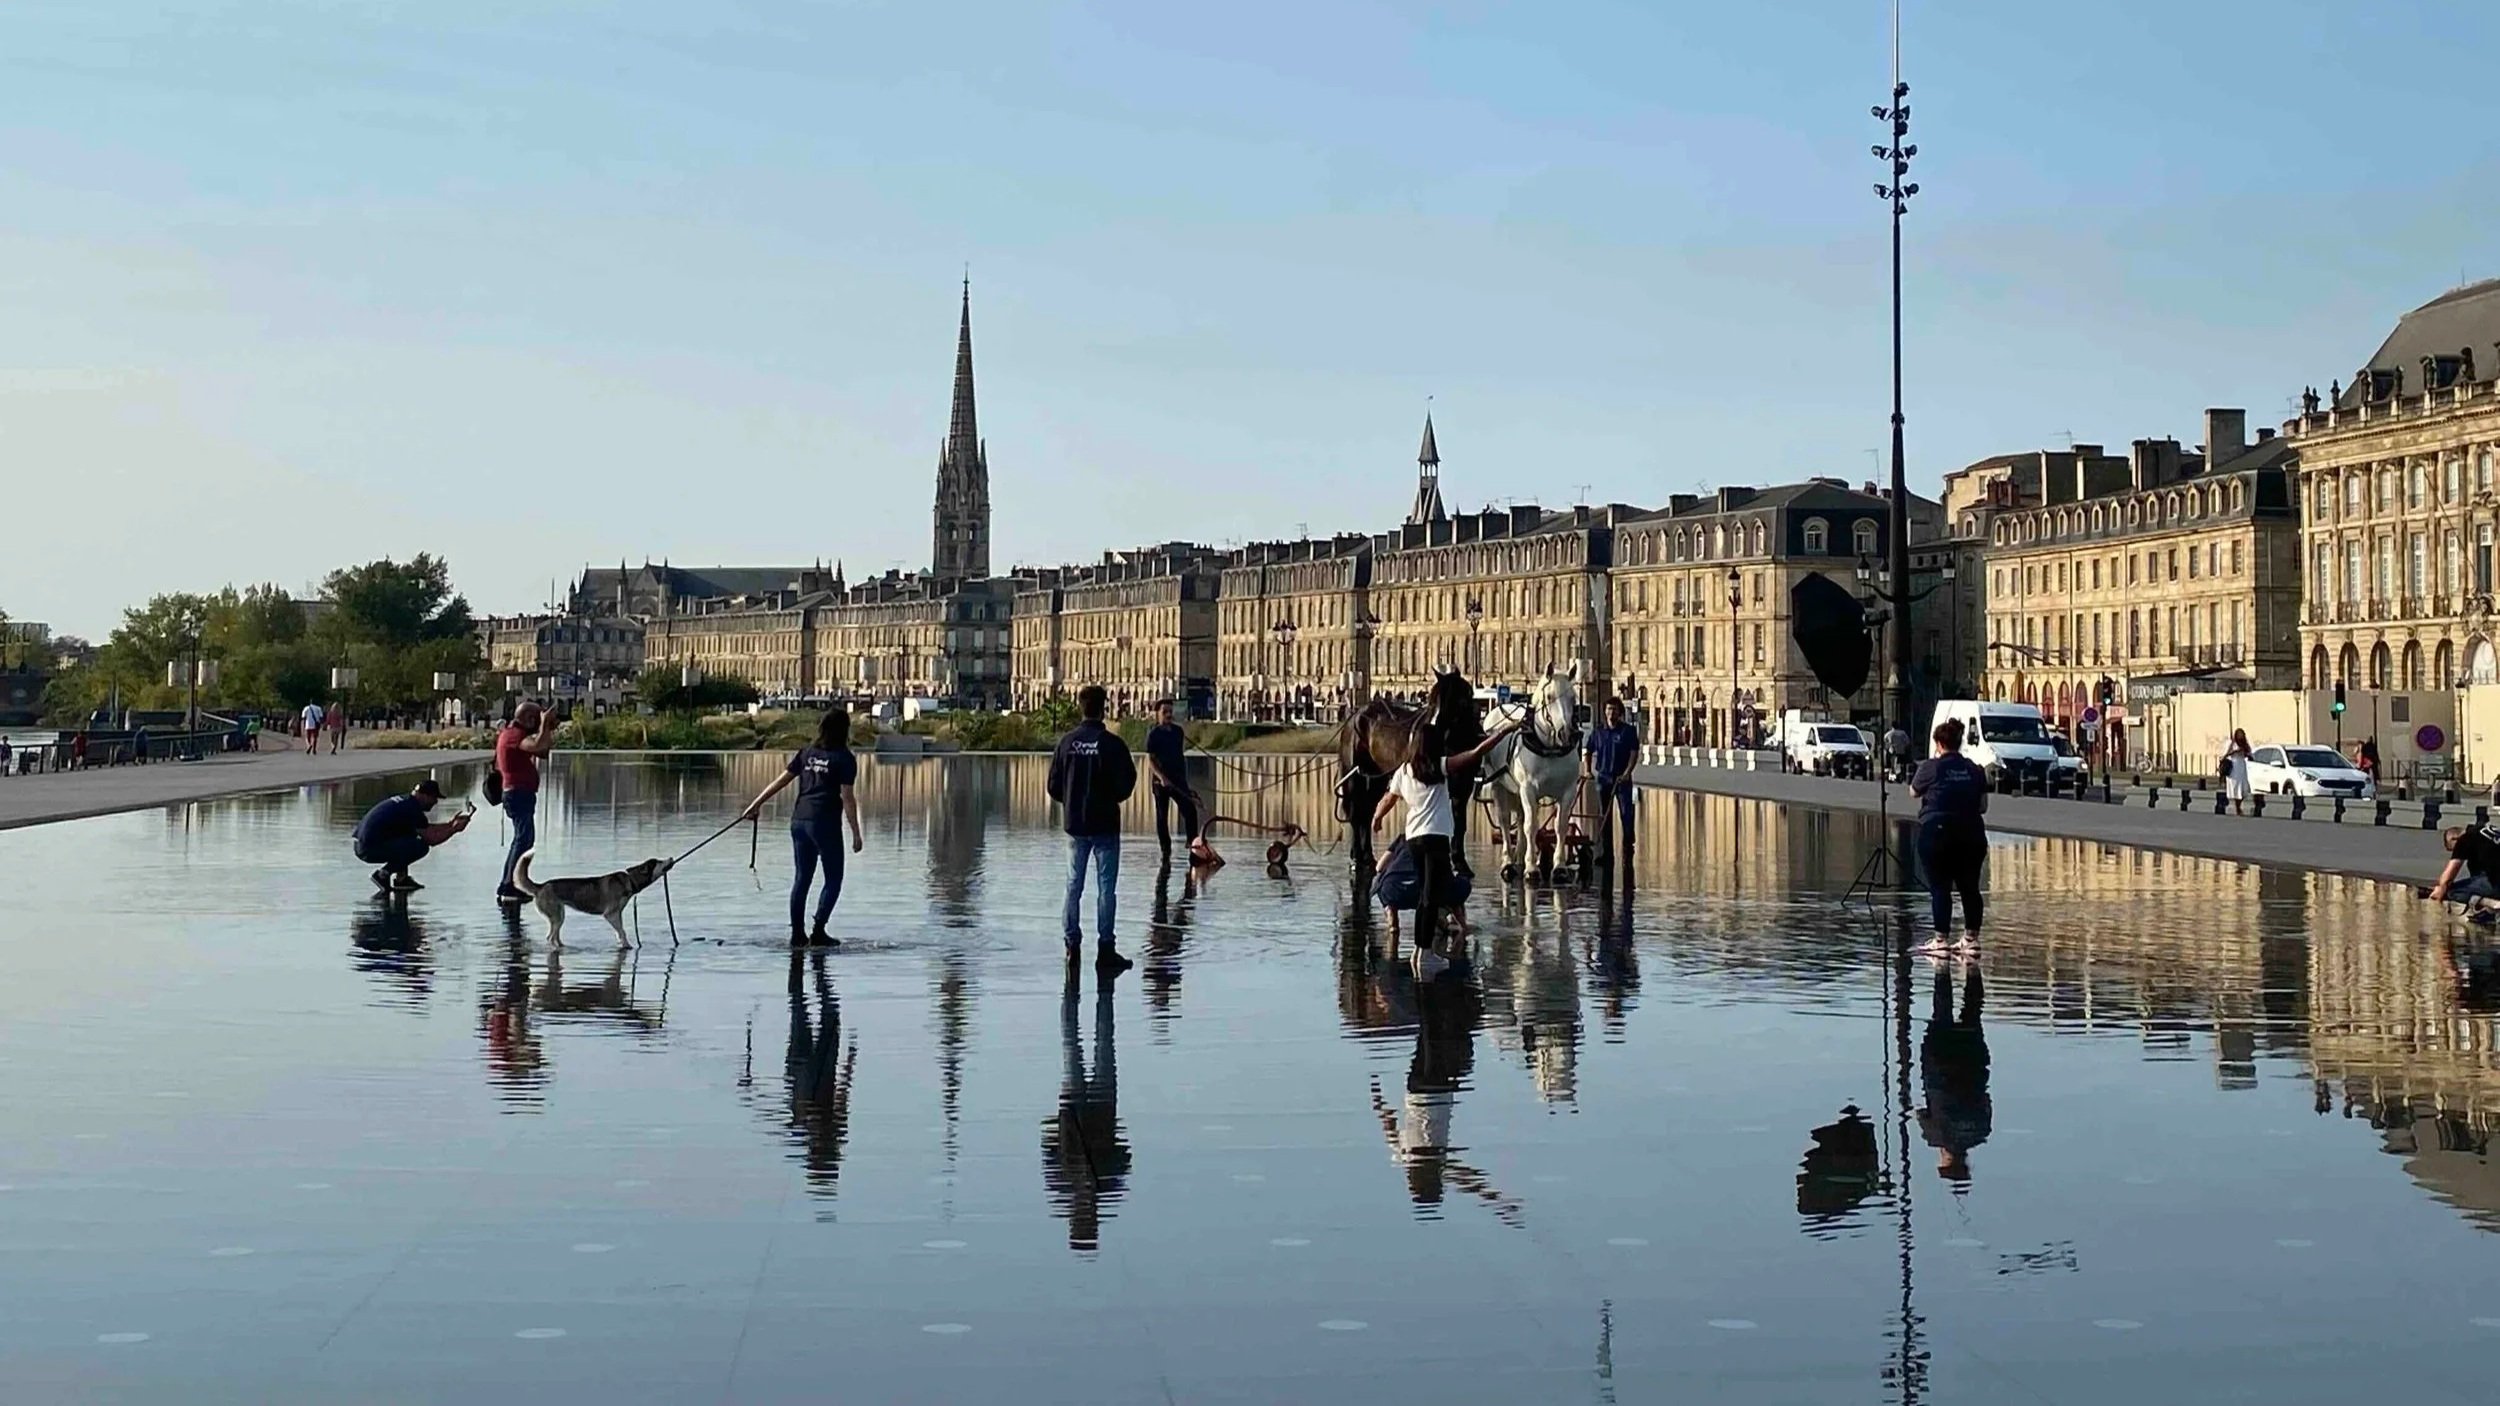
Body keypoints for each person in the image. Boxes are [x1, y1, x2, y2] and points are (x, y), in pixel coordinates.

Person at [1372, 714, 1522, 980]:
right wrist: (1504, 732)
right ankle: (1425, 952)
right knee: (1432, 895)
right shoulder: (1438, 766)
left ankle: (1420, 952)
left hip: (1414, 838)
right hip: (1436, 838)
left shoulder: (1404, 771)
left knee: (1425, 896)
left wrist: (1377, 818)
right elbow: (1476, 753)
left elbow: (1388, 798)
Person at [739, 709, 864, 947]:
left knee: (802, 879)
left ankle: (797, 934)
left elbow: (781, 780)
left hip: (799, 822)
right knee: (833, 879)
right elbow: (847, 798)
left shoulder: (807, 753)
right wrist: (856, 834)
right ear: (844, 731)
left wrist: (755, 805)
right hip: (824, 824)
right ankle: (818, 931)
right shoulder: (844, 758)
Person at [1047, 685, 1138, 975]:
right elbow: (1128, 782)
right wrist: (1110, 799)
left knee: (1073, 886)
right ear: (1103, 708)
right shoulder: (1113, 744)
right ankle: (1106, 950)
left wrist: (1072, 802)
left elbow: (1053, 786)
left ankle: (1072, 945)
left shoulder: (1067, 743)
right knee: (1106, 890)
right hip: (1105, 826)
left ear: (1081, 708)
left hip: (1075, 826)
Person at [1910, 717, 1989, 956]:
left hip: (1937, 831)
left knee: (1940, 887)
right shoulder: (1976, 770)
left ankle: (1941, 940)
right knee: (1970, 888)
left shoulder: (1930, 767)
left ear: (1938, 743)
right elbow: (1983, 806)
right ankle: (1971, 940)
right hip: (1972, 832)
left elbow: (1913, 792)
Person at [1915, 964, 1991, 1186]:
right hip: (1939, 1063)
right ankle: (1942, 971)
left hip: (1973, 1063)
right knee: (1941, 1012)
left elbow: (1986, 1100)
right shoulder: (1934, 1136)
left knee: (1973, 1011)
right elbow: (1920, 1112)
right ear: (1946, 1160)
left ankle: (1970, 971)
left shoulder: (1982, 1132)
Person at [351, 777, 472, 890]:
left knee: (408, 836)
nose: (435, 802)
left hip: (362, 844)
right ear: (424, 795)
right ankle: (383, 874)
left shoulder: (407, 802)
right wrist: (454, 830)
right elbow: (431, 839)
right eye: (434, 798)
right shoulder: (413, 810)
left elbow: (425, 828)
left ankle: (401, 879)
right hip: (369, 847)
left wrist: (450, 824)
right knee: (420, 847)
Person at [493, 703, 560, 906]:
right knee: (523, 840)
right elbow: (539, 746)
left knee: (523, 839)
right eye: (536, 718)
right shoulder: (514, 735)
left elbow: (543, 752)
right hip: (517, 793)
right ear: (529, 718)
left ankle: (510, 883)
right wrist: (544, 725)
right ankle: (509, 885)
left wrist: (546, 728)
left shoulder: (516, 733)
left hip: (520, 793)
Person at [1143, 699, 1204, 865]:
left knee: (1190, 811)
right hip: (1160, 782)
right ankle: (1166, 849)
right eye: (1165, 712)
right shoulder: (1153, 734)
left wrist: (1185, 782)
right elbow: (1151, 760)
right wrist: (1162, 778)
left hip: (1178, 779)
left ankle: (1193, 843)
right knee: (1162, 817)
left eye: (1171, 711)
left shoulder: (1178, 732)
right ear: (1157, 714)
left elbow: (1179, 756)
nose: (1169, 714)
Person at [1581, 697, 1641, 865]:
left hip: (1622, 779)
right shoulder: (1598, 732)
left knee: (1625, 814)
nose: (1611, 713)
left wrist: (1628, 772)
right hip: (1604, 778)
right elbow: (1588, 750)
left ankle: (1628, 845)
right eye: (1608, 709)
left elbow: (1634, 753)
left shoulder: (1627, 731)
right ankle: (1606, 853)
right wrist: (1587, 770)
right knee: (1604, 816)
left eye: (1614, 709)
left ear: (1620, 712)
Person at [2429, 821, 2500, 924]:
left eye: (2453, 849)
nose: (2455, 852)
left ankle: (2495, 905)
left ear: (2454, 839)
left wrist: (2440, 889)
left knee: (2452, 891)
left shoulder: (2464, 839)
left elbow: (2449, 875)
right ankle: (2491, 912)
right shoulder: (2485, 832)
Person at [2222, 728, 2254, 816]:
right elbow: (2225, 755)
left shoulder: (2245, 744)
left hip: (2242, 765)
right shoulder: (2231, 743)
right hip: (2234, 766)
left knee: (2243, 787)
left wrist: (2246, 753)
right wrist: (2235, 751)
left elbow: (2250, 754)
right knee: (2236, 787)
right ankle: (2238, 808)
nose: (2240, 736)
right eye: (2239, 734)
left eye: (2242, 734)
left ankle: (2239, 806)